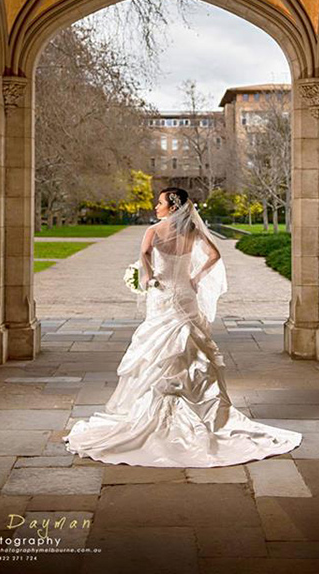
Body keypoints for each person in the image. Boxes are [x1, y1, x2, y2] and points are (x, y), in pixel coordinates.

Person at [62, 187, 302, 466]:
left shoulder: (152, 231)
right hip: (186, 293)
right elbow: (214, 256)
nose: (155, 206)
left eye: (160, 202)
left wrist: (150, 278)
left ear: (172, 207)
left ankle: (157, 412)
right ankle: (201, 408)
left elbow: (144, 255)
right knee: (192, 348)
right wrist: (197, 277)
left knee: (157, 351)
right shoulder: (193, 232)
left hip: (162, 294)